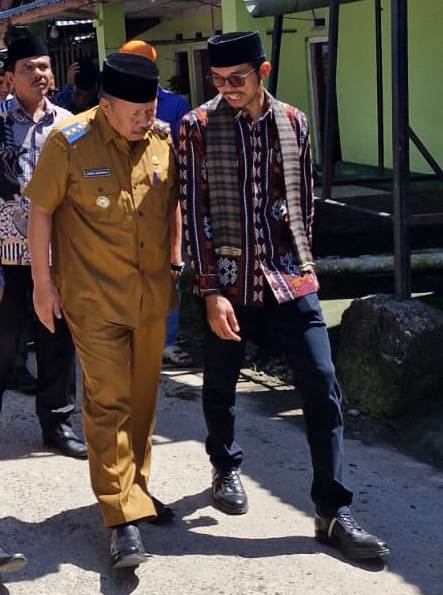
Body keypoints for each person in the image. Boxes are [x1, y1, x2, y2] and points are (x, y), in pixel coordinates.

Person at [179, 31, 390, 562]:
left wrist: (305, 261)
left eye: (237, 78)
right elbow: (194, 212)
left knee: (321, 382)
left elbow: (304, 199)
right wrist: (209, 289)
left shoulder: (294, 122)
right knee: (221, 381)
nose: (227, 88)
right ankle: (225, 465)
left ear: (263, 72)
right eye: (218, 80)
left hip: (289, 278)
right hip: (229, 280)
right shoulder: (197, 127)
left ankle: (332, 509)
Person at [26, 52, 182, 568]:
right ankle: (120, 517)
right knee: (107, 403)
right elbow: (41, 211)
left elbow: (173, 204)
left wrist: (176, 259)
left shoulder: (161, 140)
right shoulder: (68, 142)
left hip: (151, 297)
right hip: (93, 300)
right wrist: (42, 284)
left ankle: (136, 490)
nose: (145, 120)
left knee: (142, 403)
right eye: (136, 113)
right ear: (107, 106)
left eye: (151, 110)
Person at [0, 36, 86, 459]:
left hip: (57, 260)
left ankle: (58, 425)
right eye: (28, 68)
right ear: (9, 78)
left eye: (45, 67)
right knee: (3, 347)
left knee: (57, 345)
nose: (39, 74)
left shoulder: (70, 124)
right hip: (7, 261)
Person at [120, 40, 192, 367]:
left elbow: (186, 158)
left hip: (163, 206)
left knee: (168, 275)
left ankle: (167, 341)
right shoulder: (110, 106)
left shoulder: (175, 107)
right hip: (122, 207)